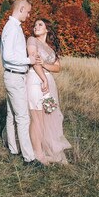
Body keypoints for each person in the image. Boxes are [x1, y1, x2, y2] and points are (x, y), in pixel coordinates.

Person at [0, 0, 41, 165]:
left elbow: (12, 54)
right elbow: (7, 56)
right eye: (28, 12)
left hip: (13, 75)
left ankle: (13, 149)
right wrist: (28, 61)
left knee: (11, 115)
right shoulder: (11, 28)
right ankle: (29, 158)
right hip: (14, 76)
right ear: (21, 9)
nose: (29, 16)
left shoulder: (13, 27)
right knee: (23, 117)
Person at [26, 18, 71, 164]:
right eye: (35, 24)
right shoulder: (32, 40)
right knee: (37, 117)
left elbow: (58, 67)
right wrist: (43, 78)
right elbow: (34, 62)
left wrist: (45, 65)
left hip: (48, 84)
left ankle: (45, 150)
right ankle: (37, 154)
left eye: (40, 24)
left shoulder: (50, 48)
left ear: (47, 29)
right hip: (35, 80)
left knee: (49, 116)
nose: (36, 27)